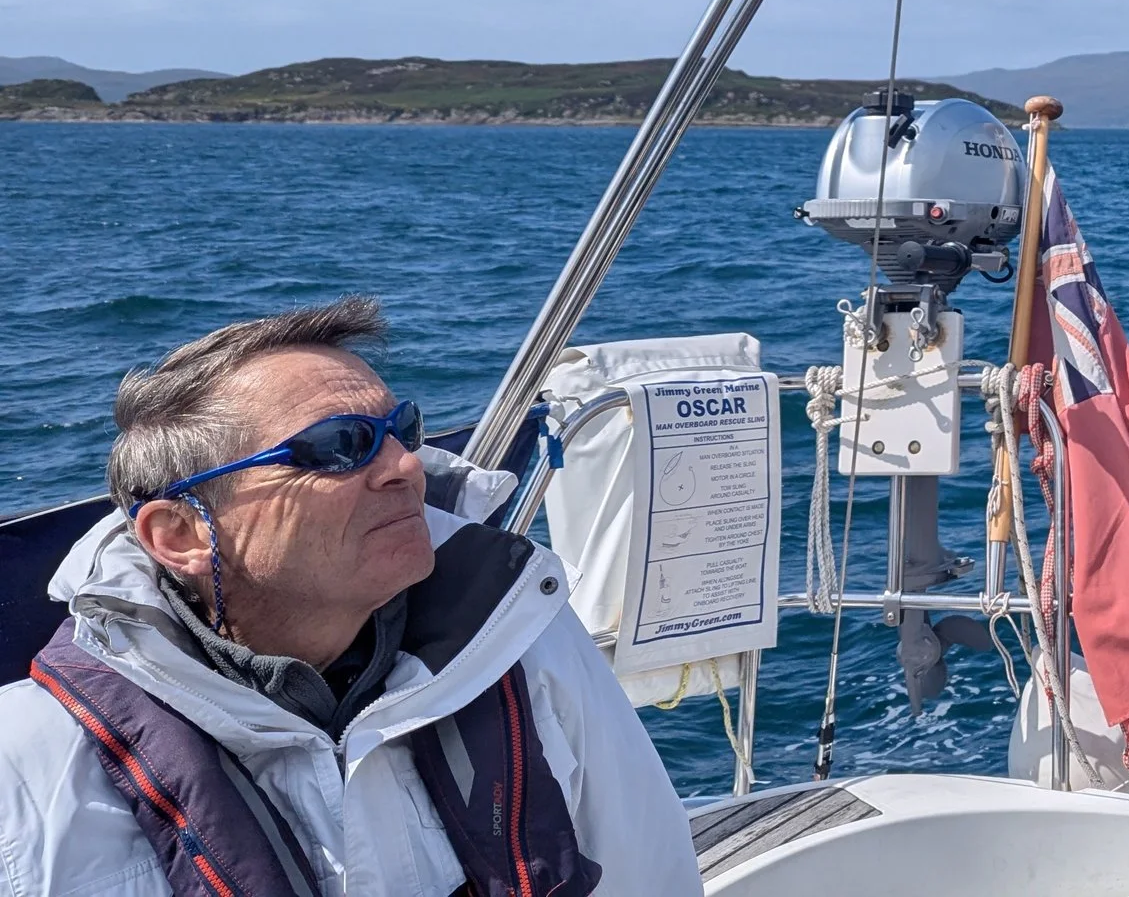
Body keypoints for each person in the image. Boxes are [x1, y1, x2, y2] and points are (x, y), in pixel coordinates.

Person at [0, 296, 702, 896]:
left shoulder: (523, 646)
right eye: (340, 445)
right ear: (182, 534)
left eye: (403, 431)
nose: (405, 466)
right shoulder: (29, 762)